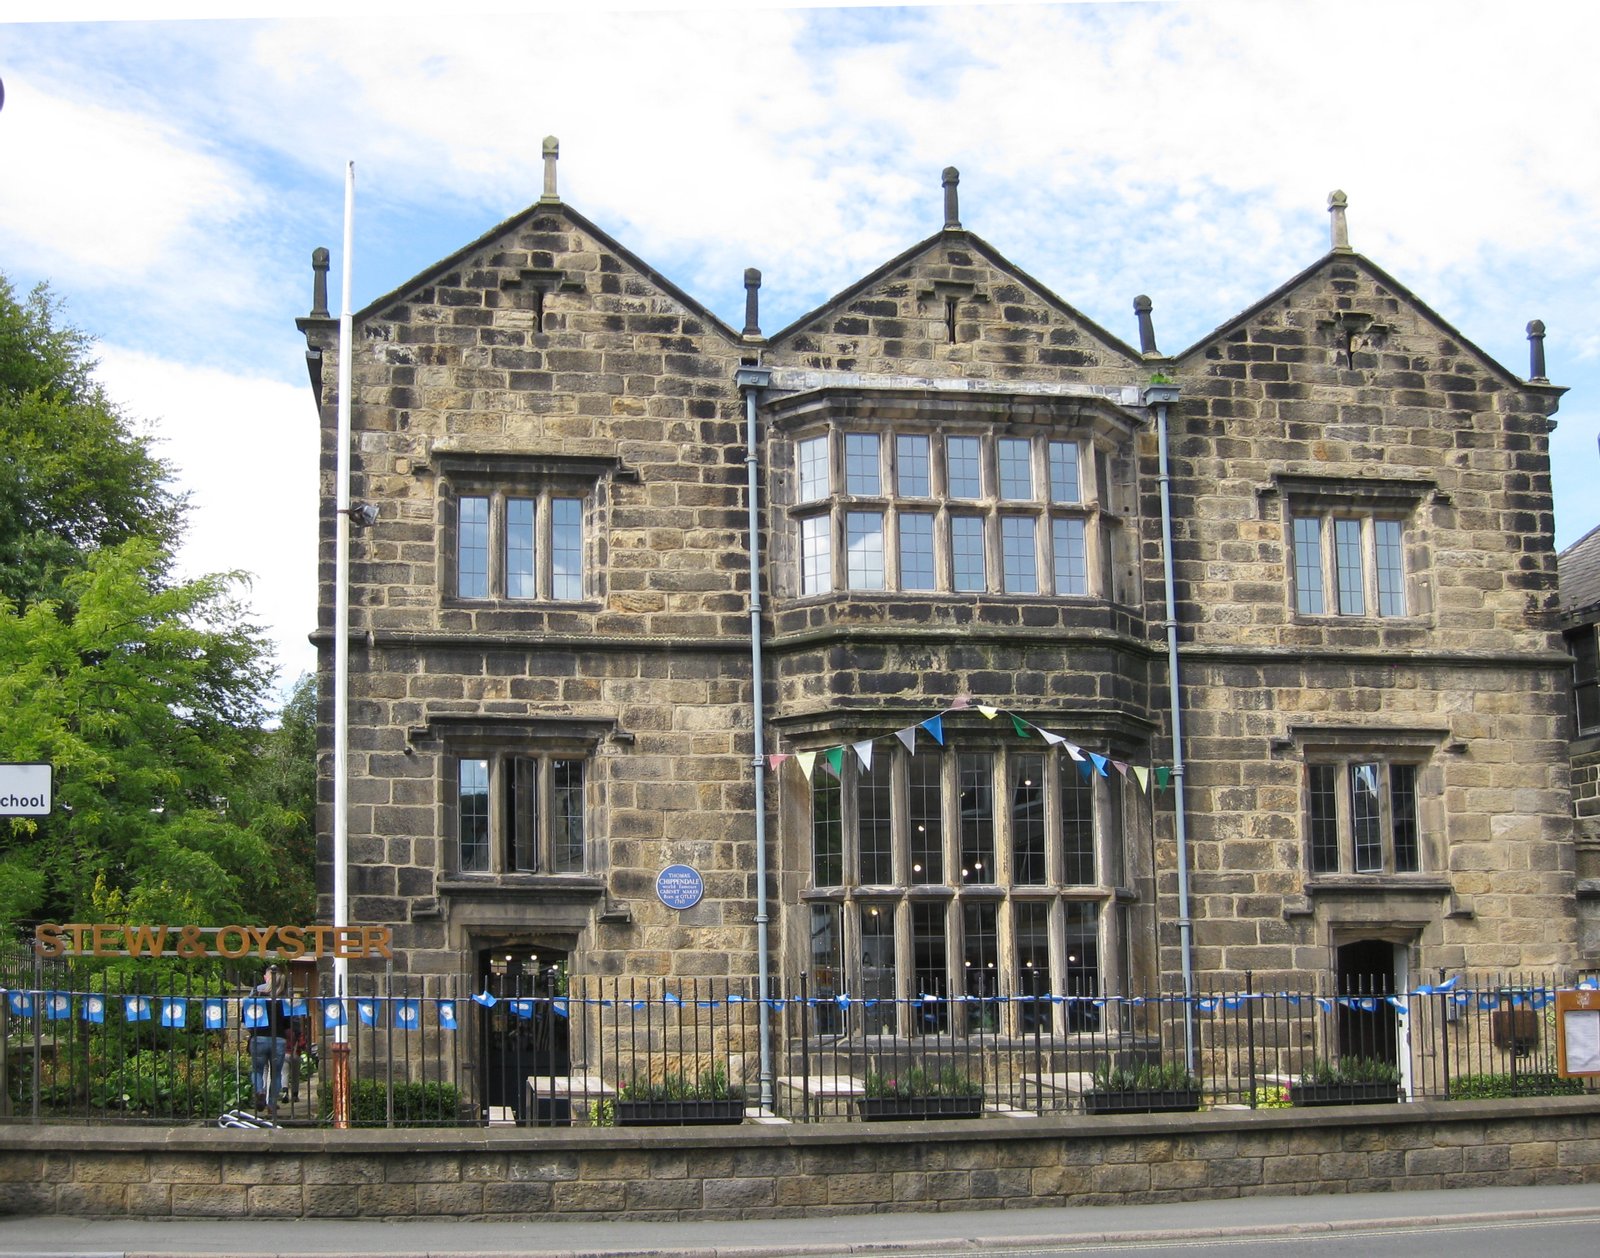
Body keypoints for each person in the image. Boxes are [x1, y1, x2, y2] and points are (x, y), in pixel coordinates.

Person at [249, 965, 289, 1116]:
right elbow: (290, 1020)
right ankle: (272, 1104)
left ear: (267, 977)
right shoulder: (284, 994)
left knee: (257, 1070)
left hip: (259, 1037)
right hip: (278, 1038)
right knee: (276, 1073)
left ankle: (259, 1091)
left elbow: (246, 1014)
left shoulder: (258, 992)